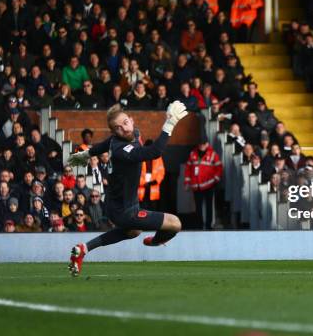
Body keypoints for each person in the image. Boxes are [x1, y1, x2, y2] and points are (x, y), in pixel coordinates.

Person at [66, 102, 187, 276]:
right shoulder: (123, 149)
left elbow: (103, 144)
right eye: (118, 127)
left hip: (115, 205)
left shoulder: (124, 136)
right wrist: (170, 123)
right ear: (114, 132)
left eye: (125, 122)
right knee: (175, 224)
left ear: (131, 120)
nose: (124, 128)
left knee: (133, 231)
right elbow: (154, 152)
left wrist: (86, 154)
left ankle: (83, 248)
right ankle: (154, 242)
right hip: (125, 211)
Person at [184, 140, 223, 230]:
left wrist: (216, 179)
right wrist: (187, 182)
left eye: (203, 144)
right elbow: (188, 169)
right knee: (198, 208)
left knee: (209, 207)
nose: (202, 146)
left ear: (207, 144)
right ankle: (199, 226)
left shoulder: (212, 154)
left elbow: (219, 167)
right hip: (196, 185)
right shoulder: (193, 154)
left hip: (209, 184)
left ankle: (209, 226)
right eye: (200, 144)